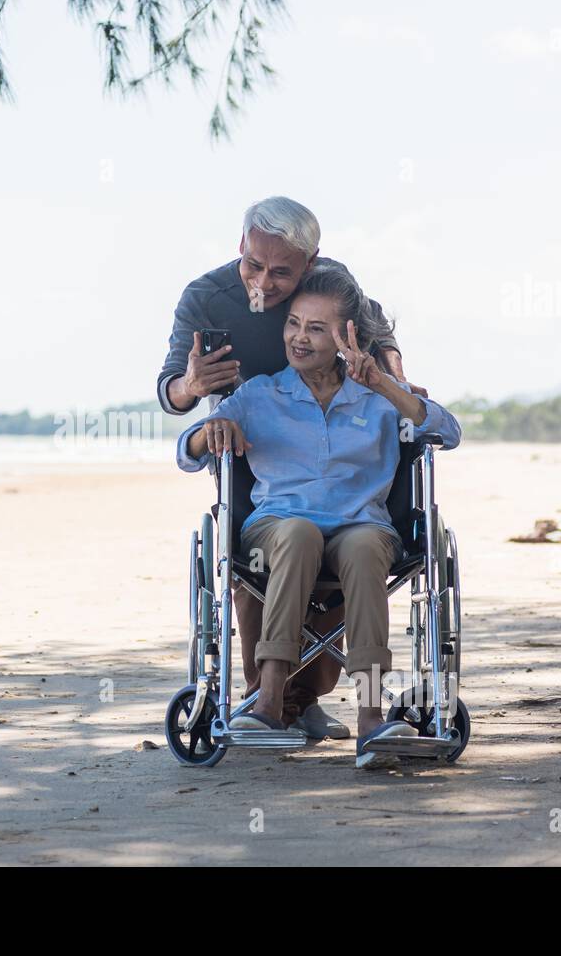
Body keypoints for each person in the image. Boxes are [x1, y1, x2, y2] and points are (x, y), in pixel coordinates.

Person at [175, 264, 462, 768]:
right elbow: (187, 451)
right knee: (300, 533)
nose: (298, 338)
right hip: (276, 530)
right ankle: (268, 703)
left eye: (315, 328)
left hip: (360, 527)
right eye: (293, 324)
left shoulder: (377, 397)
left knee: (367, 543)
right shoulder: (261, 393)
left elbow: (448, 430)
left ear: (348, 336)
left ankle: (372, 717)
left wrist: (386, 384)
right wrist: (211, 427)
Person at [158, 196, 422, 738]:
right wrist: (195, 390)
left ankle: (316, 701)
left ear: (311, 263)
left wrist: (392, 383)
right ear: (240, 246)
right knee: (279, 553)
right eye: (254, 265)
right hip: (257, 448)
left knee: (349, 558)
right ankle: (267, 698)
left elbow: (380, 335)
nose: (263, 282)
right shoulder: (208, 300)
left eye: (281, 272)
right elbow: (174, 399)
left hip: (345, 453)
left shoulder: (331, 286)